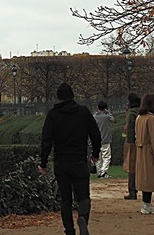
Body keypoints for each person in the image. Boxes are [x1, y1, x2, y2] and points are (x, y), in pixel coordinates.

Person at [39, 83, 101, 235]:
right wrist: (95, 154)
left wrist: (43, 162)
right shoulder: (83, 112)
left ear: (58, 97)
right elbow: (95, 135)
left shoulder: (53, 114)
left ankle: (69, 230)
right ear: (73, 95)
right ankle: (82, 217)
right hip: (79, 160)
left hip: (61, 162)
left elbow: (46, 140)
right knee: (84, 197)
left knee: (65, 199)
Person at [122, 93, 141, 200]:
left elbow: (129, 129)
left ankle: (132, 190)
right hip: (141, 142)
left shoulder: (131, 113)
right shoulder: (141, 112)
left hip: (132, 143)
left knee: (131, 168)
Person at [92, 101, 114, 178]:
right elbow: (113, 119)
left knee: (98, 157)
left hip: (97, 140)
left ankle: (99, 172)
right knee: (106, 157)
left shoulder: (94, 117)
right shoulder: (107, 117)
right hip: (106, 139)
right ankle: (103, 171)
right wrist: (107, 112)